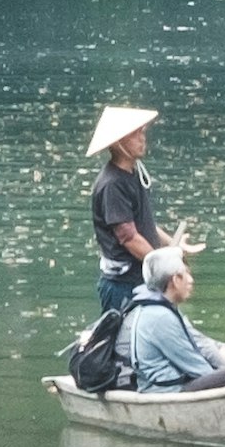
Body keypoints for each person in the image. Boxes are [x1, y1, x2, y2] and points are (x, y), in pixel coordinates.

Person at [115, 249, 225, 395]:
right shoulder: (160, 318)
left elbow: (198, 342)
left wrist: (220, 349)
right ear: (175, 280)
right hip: (167, 391)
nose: (191, 280)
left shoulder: (159, 309)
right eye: (186, 274)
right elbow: (198, 369)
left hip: (168, 385)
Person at [86, 101, 167, 317]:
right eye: (135, 134)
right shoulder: (112, 184)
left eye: (142, 132)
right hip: (123, 285)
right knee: (124, 347)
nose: (142, 138)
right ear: (119, 143)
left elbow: (142, 223)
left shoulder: (133, 174)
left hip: (138, 279)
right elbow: (128, 237)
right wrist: (163, 265)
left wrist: (170, 246)